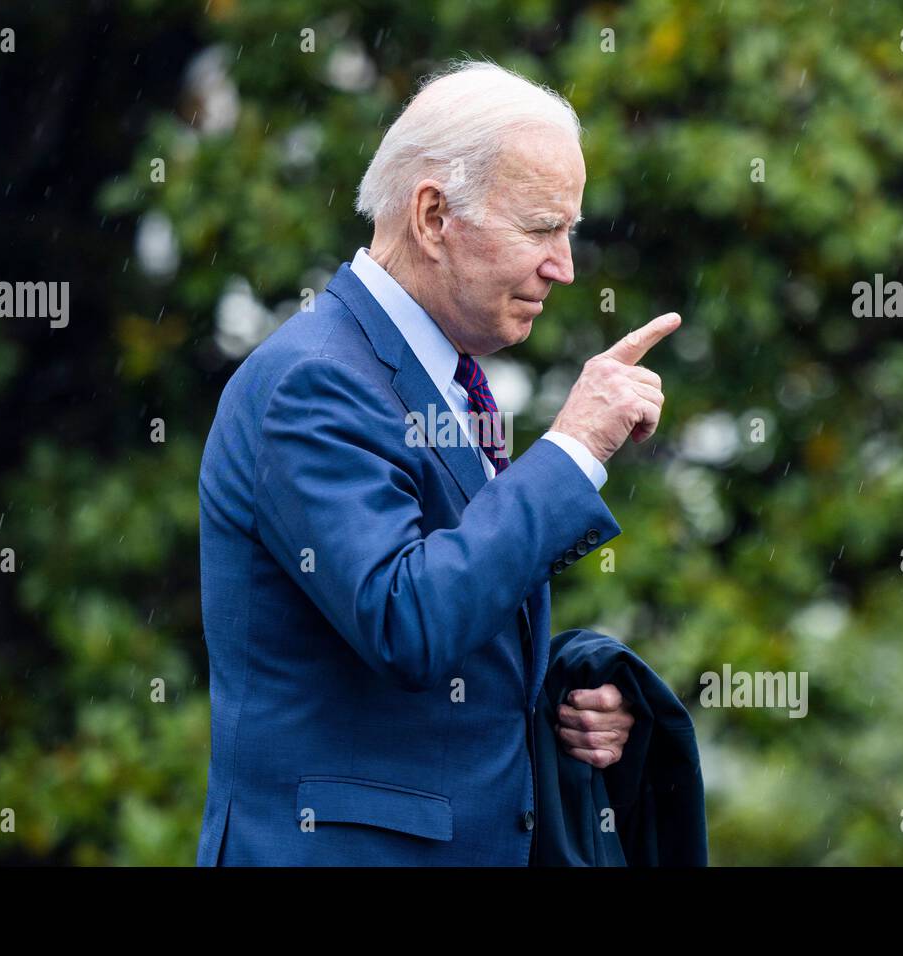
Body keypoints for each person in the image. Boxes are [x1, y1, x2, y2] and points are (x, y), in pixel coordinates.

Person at [196, 58, 681, 865]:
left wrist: (570, 700)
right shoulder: (312, 381)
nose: (563, 266)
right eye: (539, 227)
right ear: (432, 217)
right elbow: (406, 621)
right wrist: (571, 449)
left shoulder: (437, 376)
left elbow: (462, 624)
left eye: (570, 231)